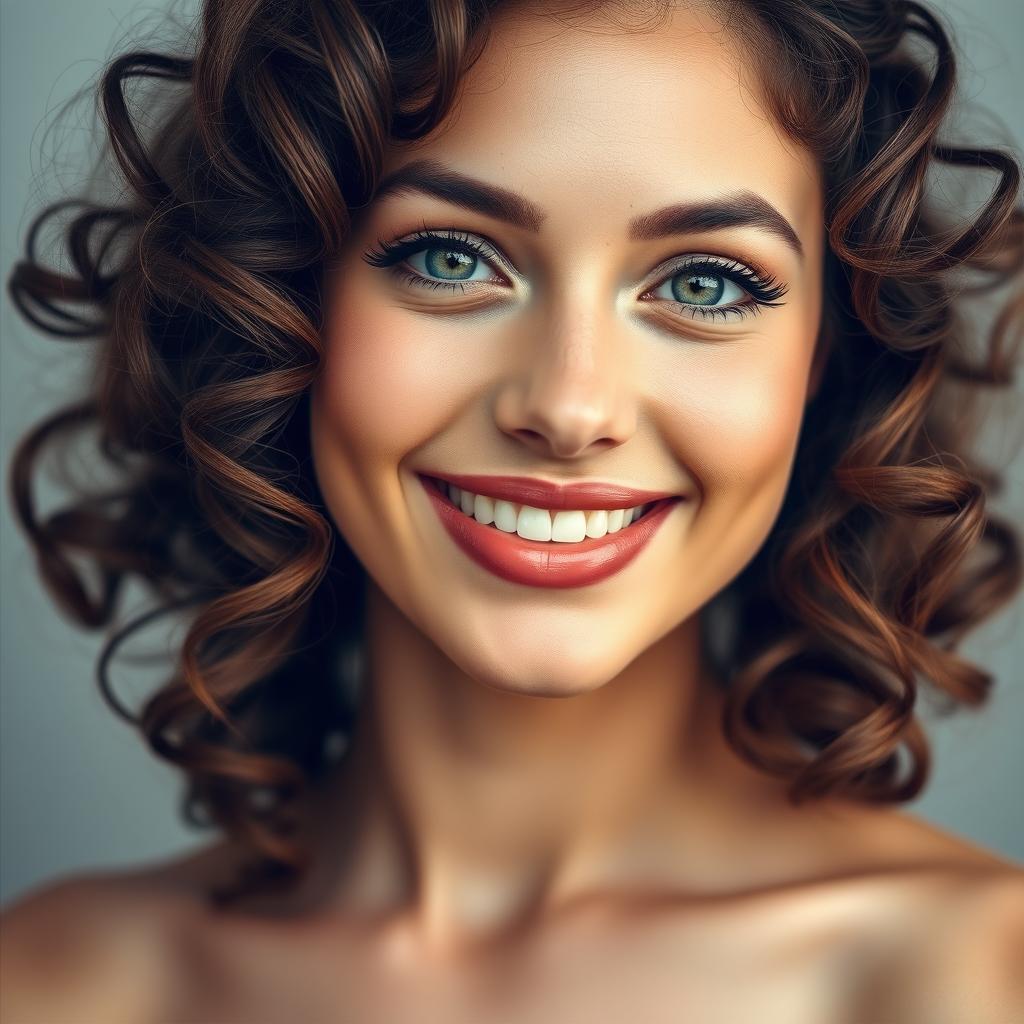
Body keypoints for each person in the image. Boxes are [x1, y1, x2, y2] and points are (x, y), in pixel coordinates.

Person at [2, 0, 1022, 1020]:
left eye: (705, 282)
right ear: (280, 301)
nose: (570, 408)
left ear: (824, 352)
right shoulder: (57, 982)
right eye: (450, 258)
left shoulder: (976, 975)